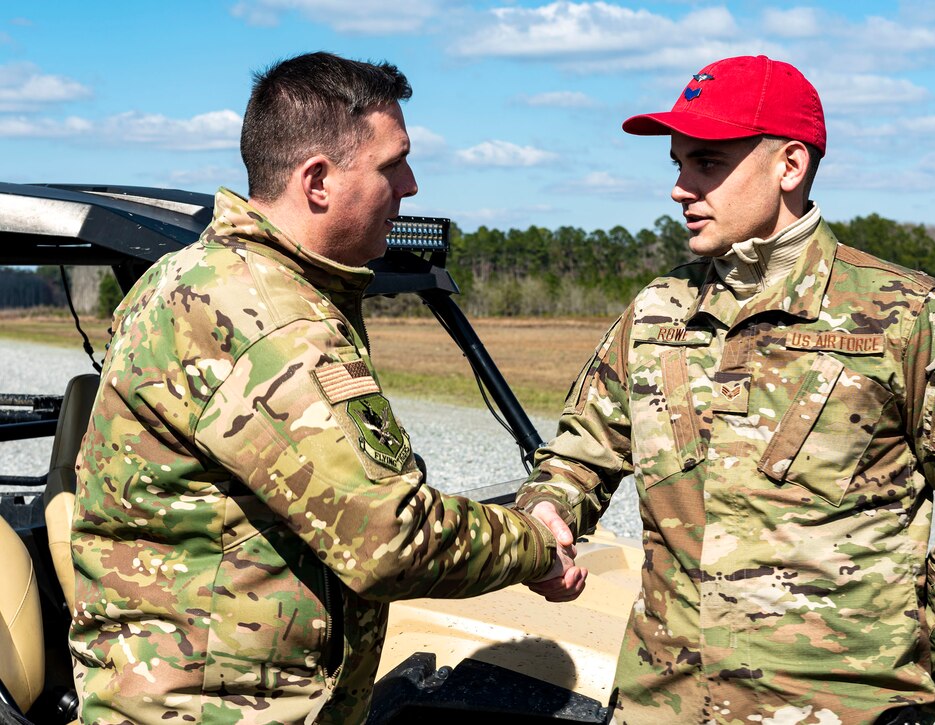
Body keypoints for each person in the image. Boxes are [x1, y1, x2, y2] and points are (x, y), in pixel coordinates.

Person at [516, 55, 935, 724]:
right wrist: (547, 510)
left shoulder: (906, 316)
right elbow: (578, 457)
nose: (680, 188)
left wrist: (888, 657)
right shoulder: (658, 311)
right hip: (661, 704)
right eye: (676, 164)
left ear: (789, 166)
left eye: (706, 163)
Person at [69, 51, 585, 724]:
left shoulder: (218, 278)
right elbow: (386, 537)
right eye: (392, 163)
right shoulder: (259, 316)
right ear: (317, 182)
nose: (411, 184)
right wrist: (533, 547)